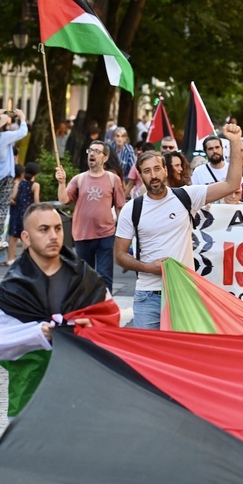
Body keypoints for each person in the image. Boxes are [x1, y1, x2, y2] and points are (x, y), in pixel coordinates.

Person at [114, 124, 243, 329]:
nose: (153, 175)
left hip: (183, 292)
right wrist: (148, 267)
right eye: (147, 171)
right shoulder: (132, 209)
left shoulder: (186, 196)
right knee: (148, 356)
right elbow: (119, 255)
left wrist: (235, 142)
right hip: (148, 296)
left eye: (157, 169)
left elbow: (232, 184)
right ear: (140, 175)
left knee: (181, 355)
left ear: (166, 170)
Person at [0, 203, 115, 419]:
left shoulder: (86, 279)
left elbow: (110, 321)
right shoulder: (11, 288)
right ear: (26, 237)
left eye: (58, 228)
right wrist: (38, 334)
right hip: (28, 397)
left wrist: (90, 329)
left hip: (82, 396)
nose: (53, 235)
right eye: (44, 229)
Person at [56, 141, 126, 292]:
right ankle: (87, 308)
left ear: (105, 158)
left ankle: (105, 310)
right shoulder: (78, 179)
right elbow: (63, 200)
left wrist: (122, 235)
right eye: (90, 150)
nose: (92, 154)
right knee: (84, 277)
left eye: (96, 151)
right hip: (82, 235)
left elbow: (120, 207)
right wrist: (61, 182)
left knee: (104, 276)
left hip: (106, 235)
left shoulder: (113, 179)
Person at [0, 109, 28, 250]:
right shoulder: (5, 136)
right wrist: (22, 117)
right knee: (3, 205)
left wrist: (3, 111)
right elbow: (22, 132)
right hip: (5, 175)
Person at [7, 162, 40, 265]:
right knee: (26, 236)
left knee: (13, 237)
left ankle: (10, 259)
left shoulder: (19, 183)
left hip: (17, 212)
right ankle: (24, 259)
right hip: (28, 214)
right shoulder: (35, 185)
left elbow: (13, 197)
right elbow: (36, 200)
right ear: (36, 174)